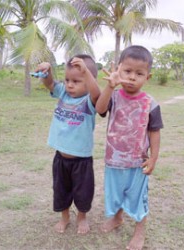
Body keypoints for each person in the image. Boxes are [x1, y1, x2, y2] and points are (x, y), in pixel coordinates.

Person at [96, 45, 163, 250]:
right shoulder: (114, 97)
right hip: (113, 160)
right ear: (118, 69)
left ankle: (139, 231)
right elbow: (100, 109)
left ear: (147, 77)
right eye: (127, 71)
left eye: (139, 73)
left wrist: (153, 159)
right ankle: (117, 218)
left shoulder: (150, 103)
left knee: (137, 198)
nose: (132, 77)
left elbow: (154, 132)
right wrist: (110, 87)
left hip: (137, 162)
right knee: (115, 194)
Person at [35, 54, 100, 234]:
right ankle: (64, 217)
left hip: (82, 160)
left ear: (89, 80)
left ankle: (82, 217)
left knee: (83, 192)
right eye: (67, 80)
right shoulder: (63, 92)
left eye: (76, 81)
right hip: (61, 157)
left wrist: (86, 72)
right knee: (60, 189)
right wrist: (46, 70)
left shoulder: (89, 100)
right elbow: (49, 84)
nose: (70, 84)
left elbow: (97, 94)